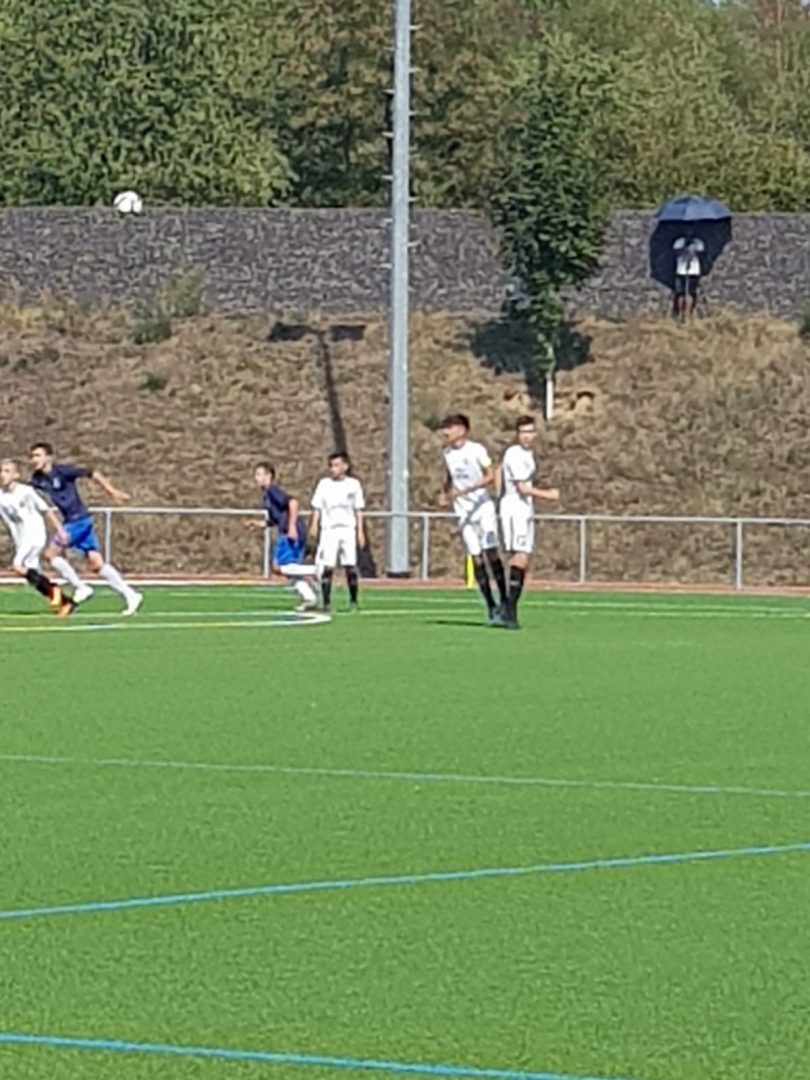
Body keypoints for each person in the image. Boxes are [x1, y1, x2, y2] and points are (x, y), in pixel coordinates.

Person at [29, 442, 143, 617]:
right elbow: (26, 492)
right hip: (76, 520)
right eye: (32, 456)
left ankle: (80, 587)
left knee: (51, 554)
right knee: (96, 564)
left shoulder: (63, 471)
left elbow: (92, 473)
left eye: (38, 455)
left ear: (48, 457)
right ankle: (131, 595)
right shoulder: (37, 478)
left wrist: (112, 491)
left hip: (78, 520)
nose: (33, 459)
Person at [439, 414, 508, 626]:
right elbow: (450, 478)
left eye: (450, 427)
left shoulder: (476, 449)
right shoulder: (447, 454)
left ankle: (505, 599)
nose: (445, 432)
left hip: (482, 509)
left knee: (491, 552)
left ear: (462, 430)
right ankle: (491, 605)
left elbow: (491, 475)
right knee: (476, 558)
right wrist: (445, 493)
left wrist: (467, 490)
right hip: (463, 513)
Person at [499, 416, 560, 629]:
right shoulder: (513, 454)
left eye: (530, 432)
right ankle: (509, 609)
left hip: (525, 510)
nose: (527, 436)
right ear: (517, 434)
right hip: (514, 509)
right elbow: (522, 488)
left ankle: (508, 606)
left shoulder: (528, 455)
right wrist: (548, 495)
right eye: (523, 432)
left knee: (523, 559)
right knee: (519, 557)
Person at [0, 458, 75, 617]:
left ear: (16, 475)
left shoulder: (26, 491)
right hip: (21, 539)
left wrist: (60, 530)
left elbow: (46, 510)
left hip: (34, 534)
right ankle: (65, 602)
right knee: (33, 576)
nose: (2, 475)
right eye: (1, 471)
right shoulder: (1, 496)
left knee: (17, 565)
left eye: (7, 471)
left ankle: (54, 589)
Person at [248, 463, 317, 611]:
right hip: (286, 531)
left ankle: (318, 570)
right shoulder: (266, 496)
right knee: (282, 569)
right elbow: (275, 519)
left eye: (259, 474)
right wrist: (259, 524)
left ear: (268, 476)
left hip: (291, 532)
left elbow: (293, 503)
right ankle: (309, 597)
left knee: (282, 567)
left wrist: (292, 527)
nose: (256, 478)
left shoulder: (273, 491)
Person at [310, 452, 366, 614]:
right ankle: (326, 602)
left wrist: (360, 531)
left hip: (347, 529)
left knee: (350, 565)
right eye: (331, 466)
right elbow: (317, 507)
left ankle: (353, 600)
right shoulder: (324, 484)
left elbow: (358, 509)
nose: (332, 469)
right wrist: (314, 525)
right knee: (328, 566)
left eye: (336, 465)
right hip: (329, 529)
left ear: (345, 467)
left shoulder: (353, 485)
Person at [673, 235, 705, 318]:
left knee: (690, 293)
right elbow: (676, 252)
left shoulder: (698, 242)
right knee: (680, 293)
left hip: (693, 271)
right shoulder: (679, 241)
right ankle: (680, 313)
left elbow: (701, 253)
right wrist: (685, 249)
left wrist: (693, 250)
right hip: (681, 271)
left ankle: (687, 314)